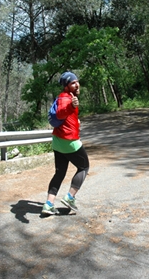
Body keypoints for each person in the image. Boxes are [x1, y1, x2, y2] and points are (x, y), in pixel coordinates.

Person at [42, 71, 90, 215]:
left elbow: (65, 118)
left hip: (57, 141)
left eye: (77, 81)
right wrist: (71, 106)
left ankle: (49, 204)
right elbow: (61, 113)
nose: (76, 84)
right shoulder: (66, 98)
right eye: (72, 83)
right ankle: (69, 197)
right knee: (84, 167)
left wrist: (76, 120)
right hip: (69, 141)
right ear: (66, 86)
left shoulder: (66, 96)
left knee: (60, 173)